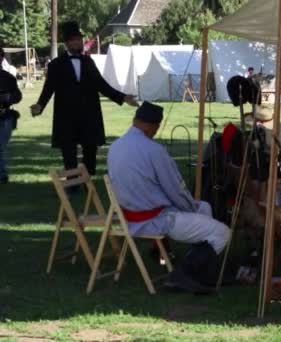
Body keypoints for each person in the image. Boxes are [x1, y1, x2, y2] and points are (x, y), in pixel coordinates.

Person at [108, 101, 230, 292]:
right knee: (222, 233)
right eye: (156, 127)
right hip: (155, 219)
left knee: (205, 208)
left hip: (130, 214)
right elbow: (176, 189)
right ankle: (183, 273)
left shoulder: (115, 146)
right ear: (153, 125)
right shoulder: (153, 150)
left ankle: (195, 260)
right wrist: (190, 208)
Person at [30, 21, 138, 180]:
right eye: (73, 40)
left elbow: (101, 85)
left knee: (90, 149)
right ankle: (72, 182)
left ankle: (89, 183)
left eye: (79, 40)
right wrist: (40, 105)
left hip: (89, 114)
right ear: (67, 43)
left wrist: (123, 97)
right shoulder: (56, 65)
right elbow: (48, 88)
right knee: (68, 151)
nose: (77, 42)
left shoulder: (88, 62)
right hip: (66, 115)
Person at [0, 47, 23, 184]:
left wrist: (8, 97)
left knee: (1, 147)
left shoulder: (8, 77)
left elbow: (18, 95)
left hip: (4, 116)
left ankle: (2, 175)